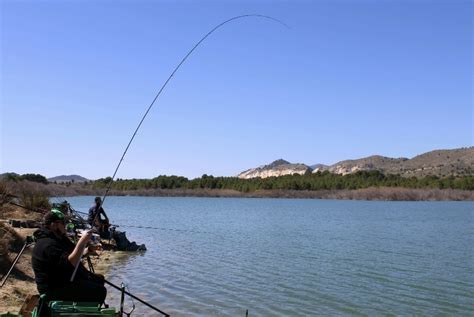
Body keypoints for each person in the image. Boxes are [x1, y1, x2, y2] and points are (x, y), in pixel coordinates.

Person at [31, 209, 107, 303]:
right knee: (100, 291)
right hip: (54, 289)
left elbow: (72, 255)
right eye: (63, 223)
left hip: (62, 280)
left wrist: (89, 250)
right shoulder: (48, 244)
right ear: (53, 224)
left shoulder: (58, 238)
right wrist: (82, 241)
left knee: (99, 279)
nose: (65, 226)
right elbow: (69, 264)